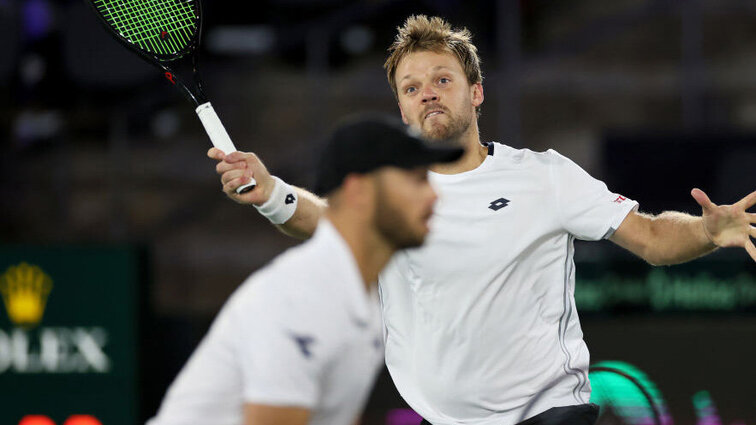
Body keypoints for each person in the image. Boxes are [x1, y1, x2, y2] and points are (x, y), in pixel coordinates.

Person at [208, 15, 756, 425]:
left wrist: (708, 231)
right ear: (401, 108)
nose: (428, 94)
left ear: (475, 93)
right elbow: (326, 222)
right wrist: (270, 193)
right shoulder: (388, 192)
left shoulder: (544, 176)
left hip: (546, 415)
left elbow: (654, 238)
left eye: (442, 80)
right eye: (412, 87)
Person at [148, 114, 464, 425]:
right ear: (359, 192)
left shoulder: (358, 299)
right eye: (418, 180)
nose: (434, 195)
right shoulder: (303, 296)